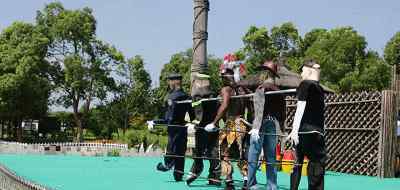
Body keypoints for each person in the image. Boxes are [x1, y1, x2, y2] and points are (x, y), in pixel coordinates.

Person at [204, 54, 250, 190]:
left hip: (232, 124)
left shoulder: (226, 90)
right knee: (241, 154)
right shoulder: (242, 90)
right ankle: (246, 180)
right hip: (242, 124)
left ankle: (229, 181)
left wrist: (214, 122)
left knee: (224, 153)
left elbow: (224, 106)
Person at [287, 60, 327, 190]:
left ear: (309, 71)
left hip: (305, 132)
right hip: (314, 133)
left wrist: (294, 130)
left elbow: (301, 107)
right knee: (316, 164)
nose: (301, 74)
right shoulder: (319, 89)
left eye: (302, 70)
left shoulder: (305, 84)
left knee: (297, 164)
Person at [246, 61, 286, 190]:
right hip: (273, 123)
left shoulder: (261, 88)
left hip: (261, 122)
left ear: (266, 73)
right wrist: (282, 127)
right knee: (271, 156)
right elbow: (282, 112)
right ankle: (272, 185)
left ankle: (251, 184)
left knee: (253, 154)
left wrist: (256, 127)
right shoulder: (279, 91)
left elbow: (259, 108)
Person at [147, 73, 194, 181]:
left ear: (174, 82)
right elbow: (192, 115)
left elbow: (169, 118)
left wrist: (155, 122)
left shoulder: (172, 97)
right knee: (181, 152)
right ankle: (178, 174)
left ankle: (167, 166)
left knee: (171, 150)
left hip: (174, 128)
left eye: (169, 81)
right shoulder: (187, 96)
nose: (169, 83)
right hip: (183, 127)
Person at [186, 73, 222, 186]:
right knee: (198, 151)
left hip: (212, 127)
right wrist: (191, 122)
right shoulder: (195, 97)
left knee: (214, 153)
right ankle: (196, 170)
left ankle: (214, 176)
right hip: (201, 128)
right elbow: (194, 112)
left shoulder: (215, 95)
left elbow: (220, 110)